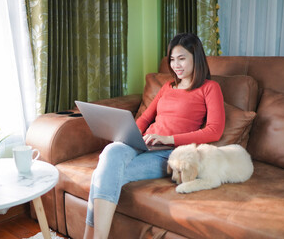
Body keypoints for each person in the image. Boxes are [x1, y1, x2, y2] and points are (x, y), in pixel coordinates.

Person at [83, 33, 225, 239]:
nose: (176, 65)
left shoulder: (209, 88)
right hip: (142, 142)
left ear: (197, 57)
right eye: (172, 60)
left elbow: (214, 130)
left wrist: (169, 139)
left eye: (182, 58)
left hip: (168, 153)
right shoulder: (167, 87)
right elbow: (145, 118)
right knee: (111, 151)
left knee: (102, 174)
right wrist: (126, 134)